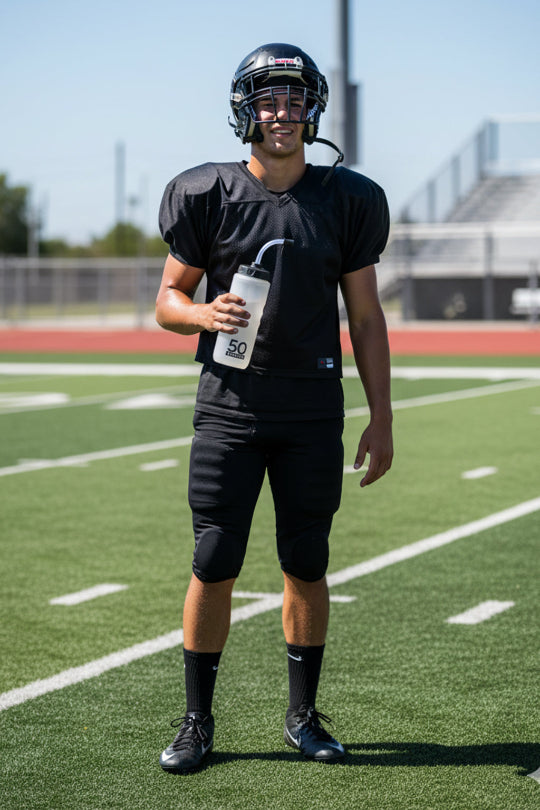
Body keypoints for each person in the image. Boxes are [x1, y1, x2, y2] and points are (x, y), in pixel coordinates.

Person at [155, 42, 393, 774]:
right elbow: (165, 302)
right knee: (214, 558)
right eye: (268, 99)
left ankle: (301, 716)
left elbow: (367, 318)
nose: (281, 113)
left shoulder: (347, 197)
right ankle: (198, 722)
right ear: (245, 110)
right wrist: (203, 316)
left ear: (312, 107)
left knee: (306, 562)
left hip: (312, 409)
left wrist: (382, 417)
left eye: (293, 99)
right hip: (230, 405)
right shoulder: (205, 192)